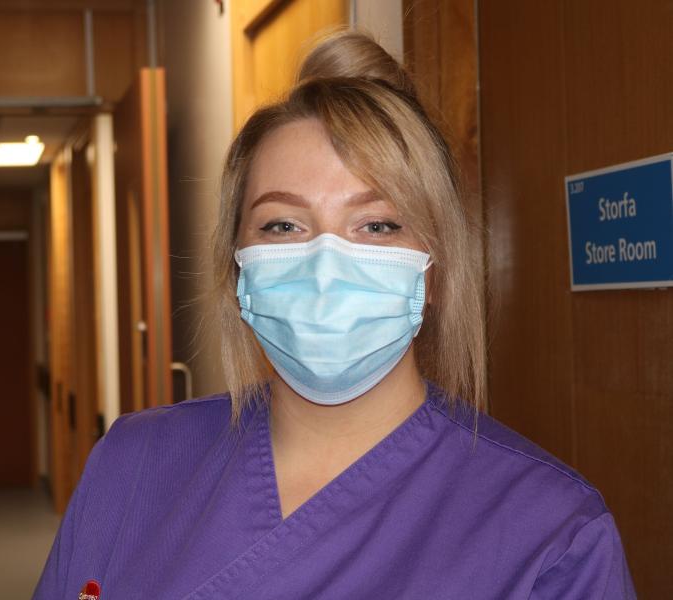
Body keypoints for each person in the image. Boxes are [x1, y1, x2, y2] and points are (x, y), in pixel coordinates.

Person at [34, 31, 635, 599]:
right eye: (284, 225)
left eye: (378, 225)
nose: (325, 265)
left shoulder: (551, 536)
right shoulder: (133, 465)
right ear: (238, 264)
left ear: (437, 270)